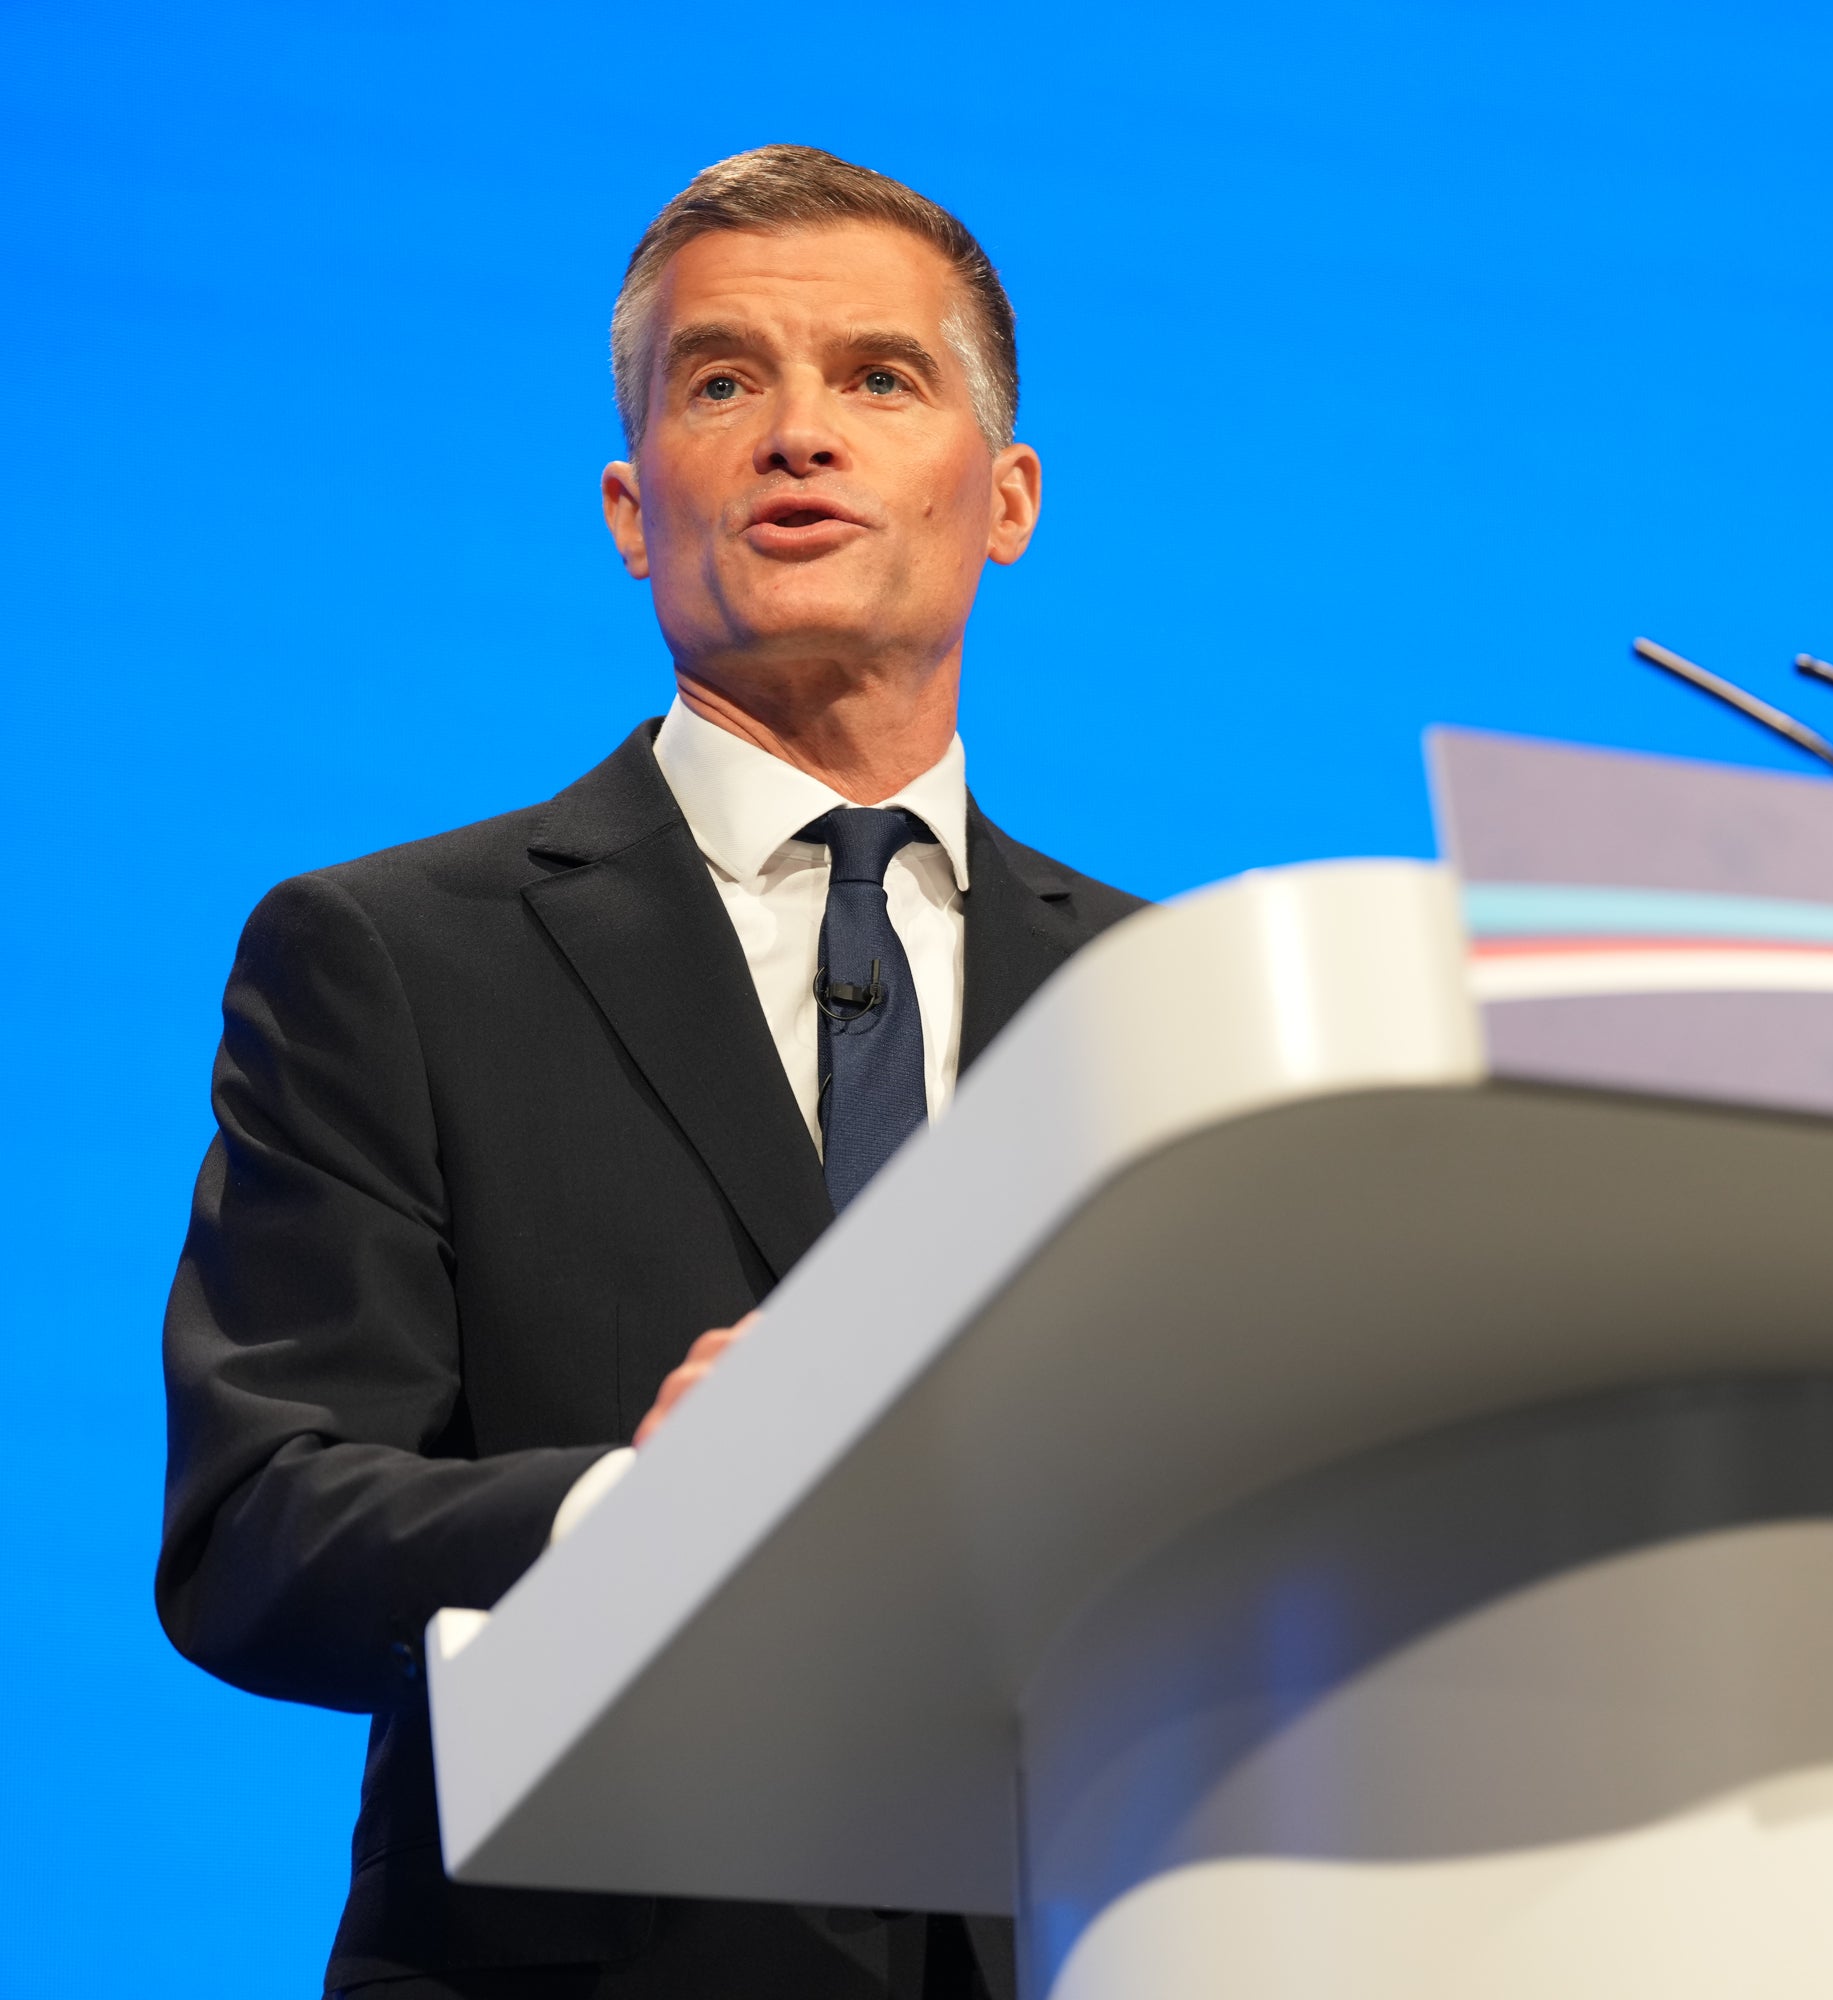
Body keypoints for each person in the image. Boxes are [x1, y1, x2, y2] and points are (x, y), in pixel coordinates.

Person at [157, 145, 1139, 1999]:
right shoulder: (391, 956)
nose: (796, 436)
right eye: (720, 383)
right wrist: (645, 1510)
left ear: (1006, 497)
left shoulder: (1162, 1000)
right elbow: (257, 1533)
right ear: (631, 503)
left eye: (877, 377)